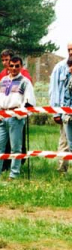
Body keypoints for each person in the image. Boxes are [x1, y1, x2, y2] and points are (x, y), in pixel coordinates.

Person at [0, 56, 36, 179]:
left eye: (17, 66)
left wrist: (19, 114)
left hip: (16, 117)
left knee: (16, 148)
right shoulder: (3, 81)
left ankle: (14, 174)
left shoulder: (25, 82)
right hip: (2, 116)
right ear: (8, 66)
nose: (14, 68)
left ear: (21, 67)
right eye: (12, 66)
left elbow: (29, 101)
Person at [48, 43, 72, 173]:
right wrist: (55, 112)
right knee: (65, 141)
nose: (71, 52)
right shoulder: (60, 68)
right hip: (66, 112)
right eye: (69, 50)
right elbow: (54, 91)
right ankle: (62, 169)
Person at [62, 57, 72, 151]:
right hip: (68, 115)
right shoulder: (67, 77)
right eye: (69, 65)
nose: (70, 68)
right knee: (71, 144)